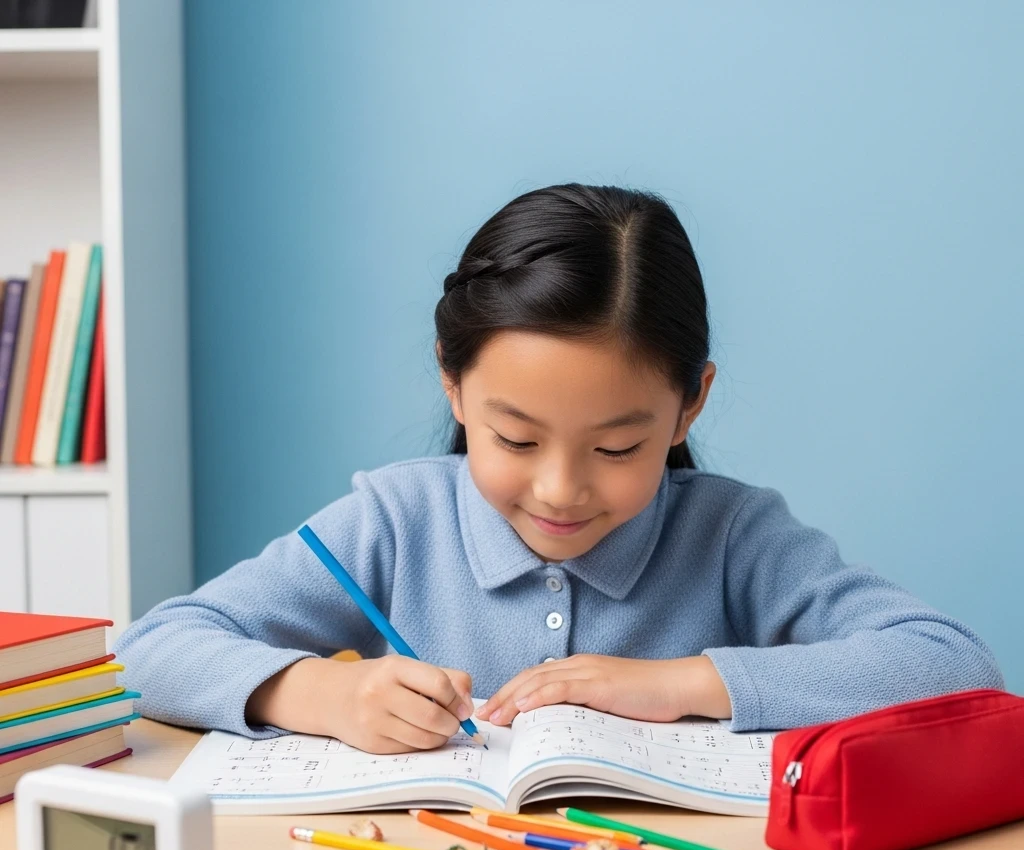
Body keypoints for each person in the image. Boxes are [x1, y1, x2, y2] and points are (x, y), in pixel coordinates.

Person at [118, 184, 1003, 753]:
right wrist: (319, 690)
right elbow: (148, 652)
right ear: (454, 387)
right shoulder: (395, 521)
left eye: (618, 448)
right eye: (516, 440)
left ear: (690, 405)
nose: (560, 490)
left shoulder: (733, 535)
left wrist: (684, 683)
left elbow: (953, 665)